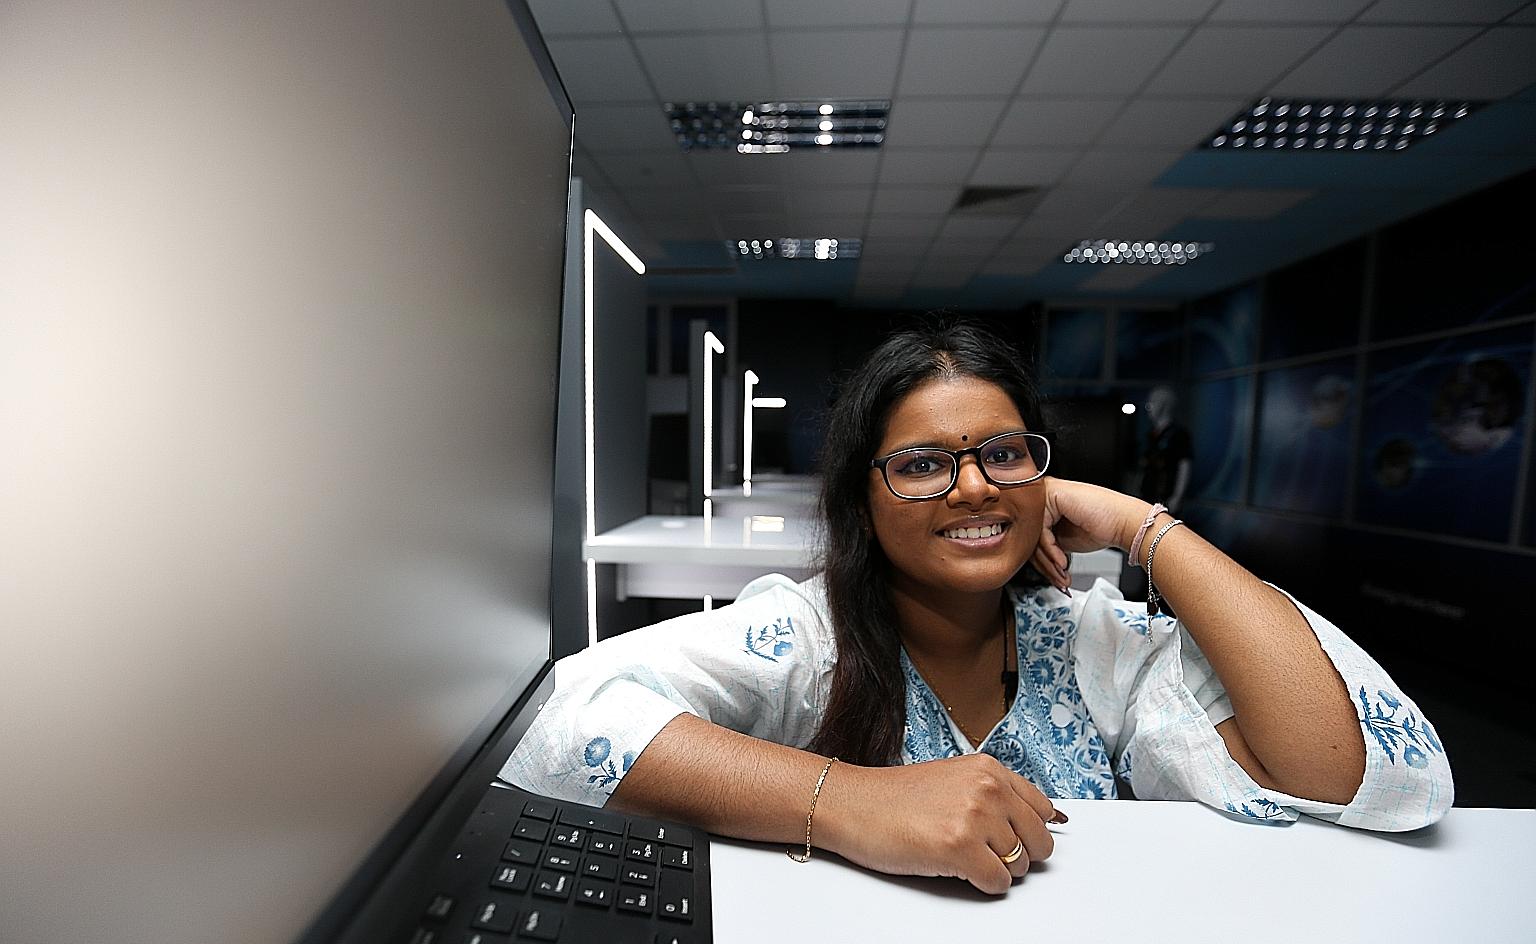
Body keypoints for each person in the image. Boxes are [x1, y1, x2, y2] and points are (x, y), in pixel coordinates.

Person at [501, 320, 1452, 895]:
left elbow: (1350, 773)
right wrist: (847, 804)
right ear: (861, 504)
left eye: (1005, 455)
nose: (971, 490)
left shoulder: (1094, 641)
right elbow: (564, 715)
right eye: (920, 465)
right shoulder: (808, 636)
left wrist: (1139, 527)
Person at [1138, 384, 1192, 512]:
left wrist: (1177, 497)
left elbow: (1184, 466)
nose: (1149, 406)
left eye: (1154, 401)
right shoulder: (1152, 434)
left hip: (1165, 496)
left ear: (1164, 405)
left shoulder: (1179, 434)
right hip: (1148, 494)